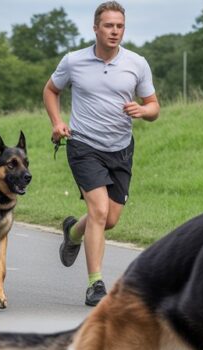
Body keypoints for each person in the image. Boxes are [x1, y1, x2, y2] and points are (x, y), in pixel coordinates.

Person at [44, 1, 159, 306]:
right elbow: (50, 90)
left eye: (119, 26)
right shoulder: (74, 61)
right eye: (108, 25)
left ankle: (73, 232)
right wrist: (58, 122)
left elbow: (154, 107)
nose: (114, 31)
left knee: (110, 220)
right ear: (95, 28)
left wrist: (143, 110)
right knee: (98, 211)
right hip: (84, 145)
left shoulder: (137, 63)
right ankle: (95, 284)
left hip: (120, 149)